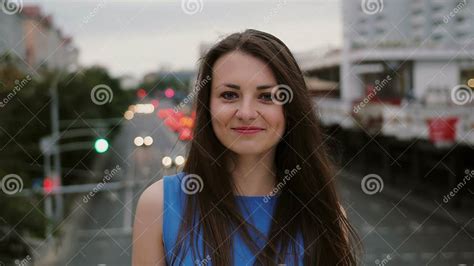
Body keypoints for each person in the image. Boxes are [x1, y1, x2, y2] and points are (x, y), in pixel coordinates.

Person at [132, 29, 361, 266]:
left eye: (266, 96)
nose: (246, 113)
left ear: (289, 108)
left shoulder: (325, 215)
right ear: (207, 107)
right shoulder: (159, 206)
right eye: (229, 95)